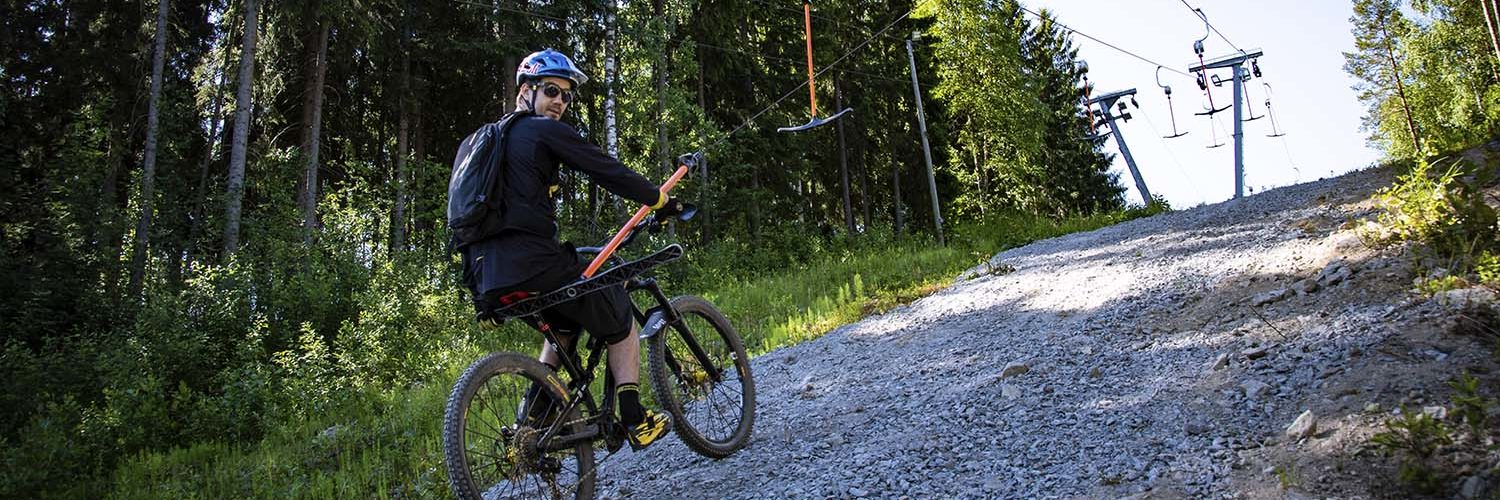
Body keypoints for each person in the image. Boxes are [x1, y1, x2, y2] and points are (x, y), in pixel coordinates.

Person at [461, 48, 684, 450]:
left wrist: (479, 292)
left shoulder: (478, 144)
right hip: (534, 263)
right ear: (524, 93)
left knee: (564, 324)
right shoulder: (541, 131)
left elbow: (459, 220)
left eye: (567, 96)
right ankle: (635, 419)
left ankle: (532, 422)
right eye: (551, 91)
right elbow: (606, 169)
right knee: (619, 314)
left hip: (487, 276)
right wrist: (658, 200)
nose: (560, 102)